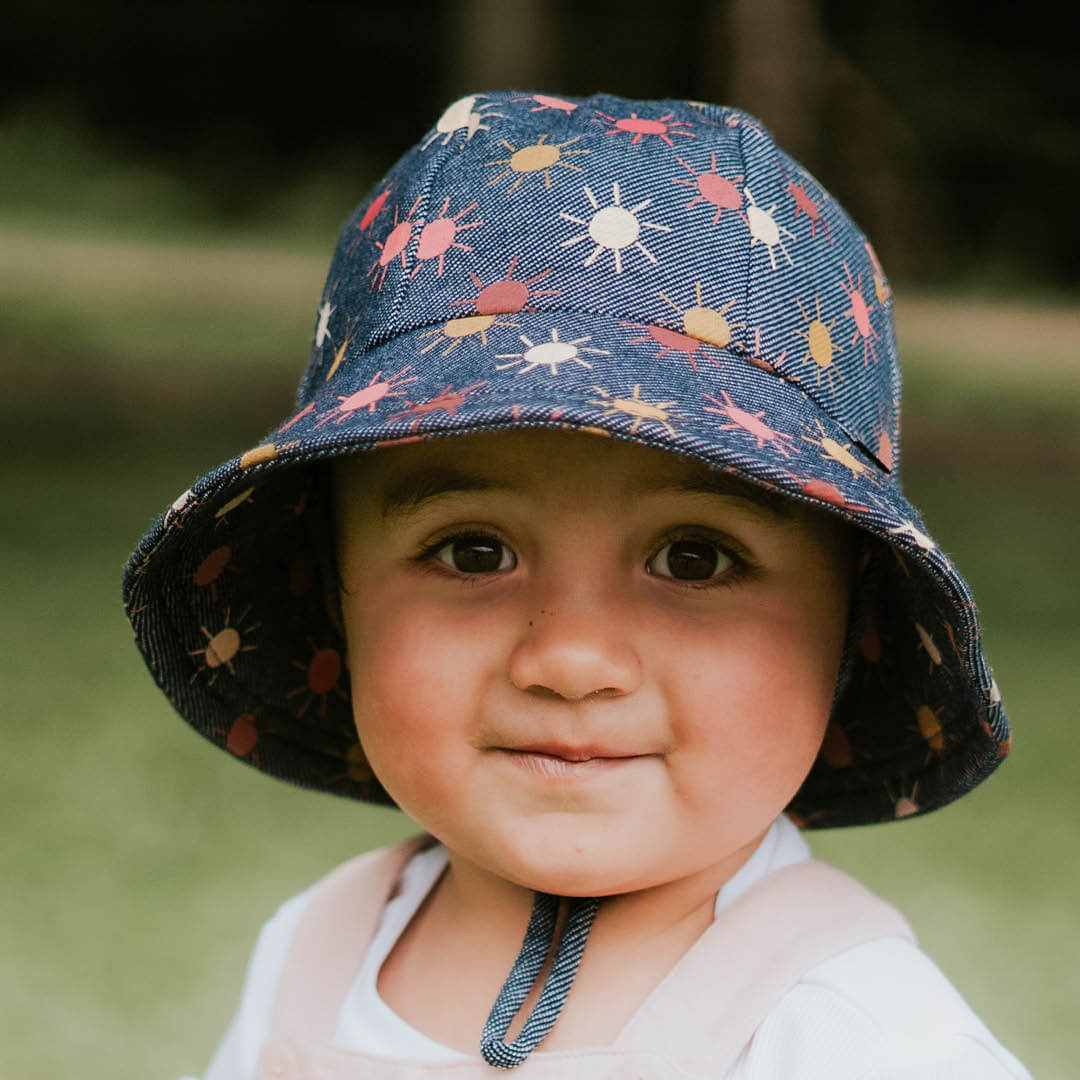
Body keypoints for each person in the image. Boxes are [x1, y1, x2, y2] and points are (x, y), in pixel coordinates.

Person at [124, 91, 1030, 1077]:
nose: (571, 659)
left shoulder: (855, 1039)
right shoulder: (315, 951)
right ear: (335, 591)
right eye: (474, 552)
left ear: (854, 623)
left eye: (696, 557)